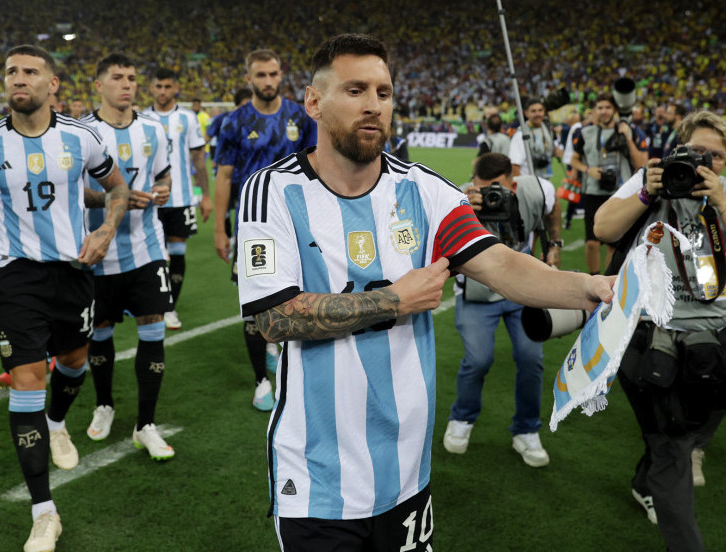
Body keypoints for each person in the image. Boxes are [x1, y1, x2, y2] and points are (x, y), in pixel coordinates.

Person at [236, 33, 614, 552]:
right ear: (314, 102)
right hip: (318, 474)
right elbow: (272, 318)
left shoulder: (423, 189)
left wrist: (589, 287)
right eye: (355, 89)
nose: (373, 105)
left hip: (407, 467)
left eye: (384, 92)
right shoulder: (273, 190)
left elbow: (500, 264)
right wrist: (395, 300)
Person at [0, 44, 129, 552]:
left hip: (74, 273)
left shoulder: (83, 138)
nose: (19, 78)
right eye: (11, 69)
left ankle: (57, 423)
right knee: (26, 379)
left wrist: (105, 231)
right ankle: (44, 511)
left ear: (52, 83)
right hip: (17, 277)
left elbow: (117, 190)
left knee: (75, 361)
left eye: (31, 71)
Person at [593, 110, 726, 552]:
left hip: (715, 341)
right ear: (678, 148)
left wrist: (723, 204)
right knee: (673, 446)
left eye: (715, 156)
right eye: (695, 153)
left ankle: (646, 477)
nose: (703, 163)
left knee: (680, 428)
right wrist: (644, 190)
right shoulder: (650, 181)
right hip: (654, 336)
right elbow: (602, 227)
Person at [80, 53, 175, 460]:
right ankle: (104, 404)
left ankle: (146, 424)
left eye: (132, 78)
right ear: (98, 84)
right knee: (100, 332)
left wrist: (165, 190)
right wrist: (113, 196)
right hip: (98, 251)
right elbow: (74, 193)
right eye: (117, 77)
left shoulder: (153, 130)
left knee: (153, 330)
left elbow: (163, 175)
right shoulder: (81, 132)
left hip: (147, 248)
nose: (127, 85)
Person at [212, 48, 317, 411]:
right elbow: (224, 176)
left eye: (273, 74)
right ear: (249, 79)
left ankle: (289, 367)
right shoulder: (234, 122)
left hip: (296, 223)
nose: (268, 82)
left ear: (281, 75)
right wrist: (219, 230)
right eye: (261, 76)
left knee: (297, 299)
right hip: (252, 226)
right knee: (256, 305)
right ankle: (261, 380)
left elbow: (316, 168)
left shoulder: (299, 117)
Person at [442, 152, 562, 468]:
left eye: (494, 188)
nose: (487, 194)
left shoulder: (538, 189)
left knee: (531, 358)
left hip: (522, 287)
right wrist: (465, 206)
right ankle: (462, 417)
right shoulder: (461, 196)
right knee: (478, 359)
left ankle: (526, 430)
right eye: (482, 188)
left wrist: (555, 243)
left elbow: (553, 208)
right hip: (478, 290)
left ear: (512, 178)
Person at [145, 68, 210, 331]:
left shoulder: (188, 117)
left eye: (167, 86)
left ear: (175, 88)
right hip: (150, 198)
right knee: (152, 256)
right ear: (151, 88)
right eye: (158, 86)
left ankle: (169, 307)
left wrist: (205, 194)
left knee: (177, 253)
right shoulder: (142, 118)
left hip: (181, 198)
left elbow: (198, 159)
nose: (162, 91)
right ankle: (152, 302)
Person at [570, 93, 649, 275]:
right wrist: (588, 169)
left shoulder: (629, 131)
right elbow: (574, 160)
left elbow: (641, 164)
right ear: (595, 111)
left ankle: (610, 281)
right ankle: (594, 277)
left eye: (607, 107)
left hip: (621, 192)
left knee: (615, 244)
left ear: (614, 110)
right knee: (591, 242)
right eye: (600, 108)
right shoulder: (585, 132)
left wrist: (627, 138)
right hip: (592, 191)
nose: (603, 111)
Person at [508, 97, 562, 179]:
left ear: (544, 111)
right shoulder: (521, 134)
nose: (538, 114)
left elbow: (545, 151)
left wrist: (554, 152)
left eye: (540, 110)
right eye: (533, 111)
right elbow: (514, 165)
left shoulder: (546, 130)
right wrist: (521, 187)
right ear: (526, 113)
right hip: (529, 181)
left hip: (544, 179)